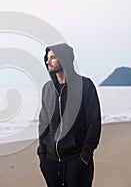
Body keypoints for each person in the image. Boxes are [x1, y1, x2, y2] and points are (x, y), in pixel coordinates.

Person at [37, 43, 101, 187]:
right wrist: (42, 155)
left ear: (64, 58)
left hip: (76, 159)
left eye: (52, 57)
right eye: (47, 58)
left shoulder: (85, 86)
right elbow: (43, 124)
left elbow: (94, 122)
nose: (48, 61)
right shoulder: (47, 89)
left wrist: (85, 156)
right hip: (51, 161)